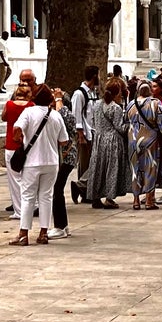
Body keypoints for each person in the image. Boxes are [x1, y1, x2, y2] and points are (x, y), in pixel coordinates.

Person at [10, 85, 68, 246]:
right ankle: (43, 232)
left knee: (28, 197)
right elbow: (64, 140)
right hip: (51, 161)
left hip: (32, 161)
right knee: (46, 196)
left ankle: (23, 233)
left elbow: (17, 128)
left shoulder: (29, 112)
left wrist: (20, 138)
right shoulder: (55, 115)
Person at [84, 78, 131, 208]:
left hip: (99, 140)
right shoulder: (115, 108)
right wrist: (129, 125)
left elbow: (93, 120)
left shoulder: (97, 104)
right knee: (112, 169)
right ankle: (109, 198)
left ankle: (95, 196)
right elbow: (120, 127)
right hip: (112, 141)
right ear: (117, 93)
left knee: (97, 169)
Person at [127, 79, 162, 211]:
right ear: (150, 90)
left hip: (133, 140)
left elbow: (126, 121)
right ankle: (149, 200)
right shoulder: (156, 103)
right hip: (151, 141)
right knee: (150, 168)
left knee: (135, 169)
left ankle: (136, 200)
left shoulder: (131, 104)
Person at [1, 72, 37, 215]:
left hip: (11, 144)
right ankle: (31, 206)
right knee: (28, 178)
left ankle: (19, 210)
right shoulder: (31, 105)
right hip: (27, 145)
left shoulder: (9, 104)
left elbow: (4, 117)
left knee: (14, 179)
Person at [69, 65, 100, 202]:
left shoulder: (93, 93)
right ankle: (82, 189)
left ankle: (84, 189)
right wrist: (80, 134)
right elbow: (76, 115)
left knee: (91, 163)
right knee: (85, 163)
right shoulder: (79, 94)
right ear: (94, 76)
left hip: (93, 132)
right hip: (85, 134)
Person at [49, 86, 76, 238]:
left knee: (56, 190)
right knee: (56, 190)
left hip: (66, 158)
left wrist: (58, 98)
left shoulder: (67, 114)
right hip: (63, 157)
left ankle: (59, 226)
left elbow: (62, 114)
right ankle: (63, 225)